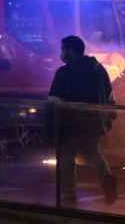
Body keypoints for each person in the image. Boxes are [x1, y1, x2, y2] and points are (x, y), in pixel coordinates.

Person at [48, 34, 118, 207]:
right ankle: (107, 179)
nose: (62, 53)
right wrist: (108, 116)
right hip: (93, 122)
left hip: (70, 124)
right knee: (93, 154)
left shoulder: (64, 72)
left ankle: (68, 195)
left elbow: (54, 100)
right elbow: (109, 95)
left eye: (63, 49)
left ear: (71, 51)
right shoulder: (98, 69)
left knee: (66, 158)